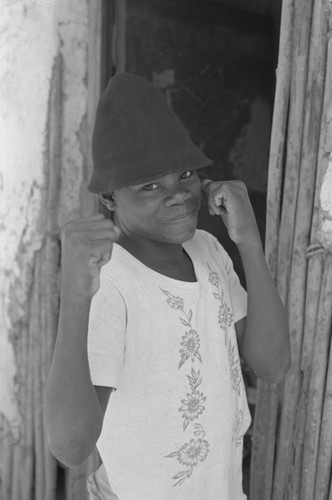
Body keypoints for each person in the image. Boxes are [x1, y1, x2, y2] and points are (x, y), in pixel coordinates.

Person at [44, 73, 290, 500]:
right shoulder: (110, 282)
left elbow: (271, 365)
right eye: (150, 185)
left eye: (186, 174)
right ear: (108, 198)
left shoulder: (208, 249)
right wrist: (75, 298)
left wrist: (249, 241)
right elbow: (71, 446)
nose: (177, 194)